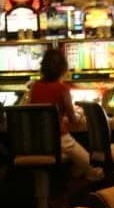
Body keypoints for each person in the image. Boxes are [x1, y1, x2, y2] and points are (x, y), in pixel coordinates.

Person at [30, 48, 103, 181]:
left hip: (35, 141)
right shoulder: (62, 88)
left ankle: (67, 185)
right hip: (60, 140)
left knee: (77, 165)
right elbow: (73, 119)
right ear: (63, 69)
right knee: (93, 168)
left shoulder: (35, 86)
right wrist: (81, 113)